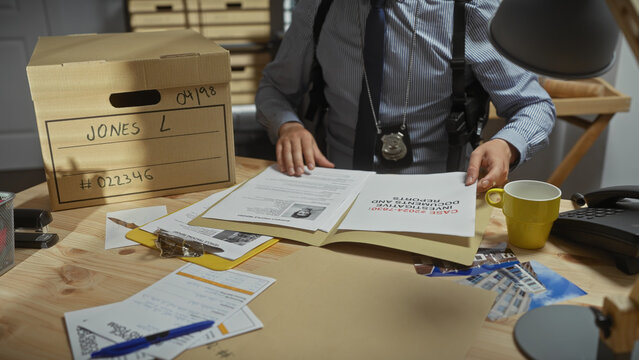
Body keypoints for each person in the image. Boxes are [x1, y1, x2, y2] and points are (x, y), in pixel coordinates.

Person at [256, 0, 556, 192]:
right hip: (333, 188)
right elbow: (275, 89)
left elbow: (533, 105)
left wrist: (506, 145)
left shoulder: (470, 10)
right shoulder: (318, 7)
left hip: (436, 196)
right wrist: (287, 126)